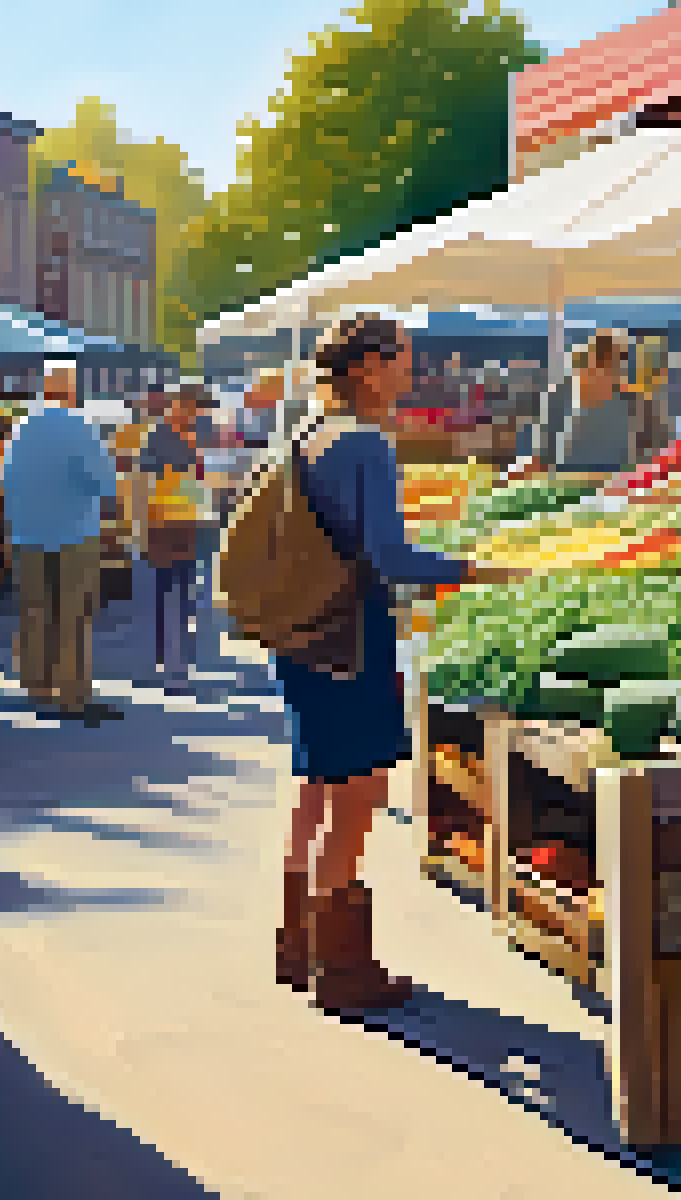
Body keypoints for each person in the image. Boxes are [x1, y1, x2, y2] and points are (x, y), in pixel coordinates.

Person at [272, 315, 526, 1013]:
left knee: (317, 783)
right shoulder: (365, 446)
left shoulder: (306, 434)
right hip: (349, 639)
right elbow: (388, 558)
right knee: (358, 793)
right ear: (366, 368)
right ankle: (341, 965)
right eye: (402, 360)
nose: (410, 372)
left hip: (300, 634)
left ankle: (295, 942)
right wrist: (476, 571)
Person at [0, 361, 120, 724]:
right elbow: (105, 481)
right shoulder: (78, 426)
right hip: (73, 532)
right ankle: (72, 694)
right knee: (73, 615)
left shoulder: (21, 428)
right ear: (71, 391)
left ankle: (37, 684)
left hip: (27, 532)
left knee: (35, 610)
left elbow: (8, 478)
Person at [136, 383, 209, 692]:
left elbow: (199, 479)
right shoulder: (160, 435)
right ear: (179, 405)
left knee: (184, 590)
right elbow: (145, 478)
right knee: (168, 589)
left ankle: (177, 658)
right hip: (164, 523)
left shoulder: (193, 434)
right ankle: (166, 659)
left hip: (189, 522)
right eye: (193, 408)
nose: (195, 414)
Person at [541, 329, 633, 475]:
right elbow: (545, 449)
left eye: (616, 368)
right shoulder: (560, 396)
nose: (613, 375)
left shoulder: (619, 406)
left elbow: (621, 459)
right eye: (605, 365)